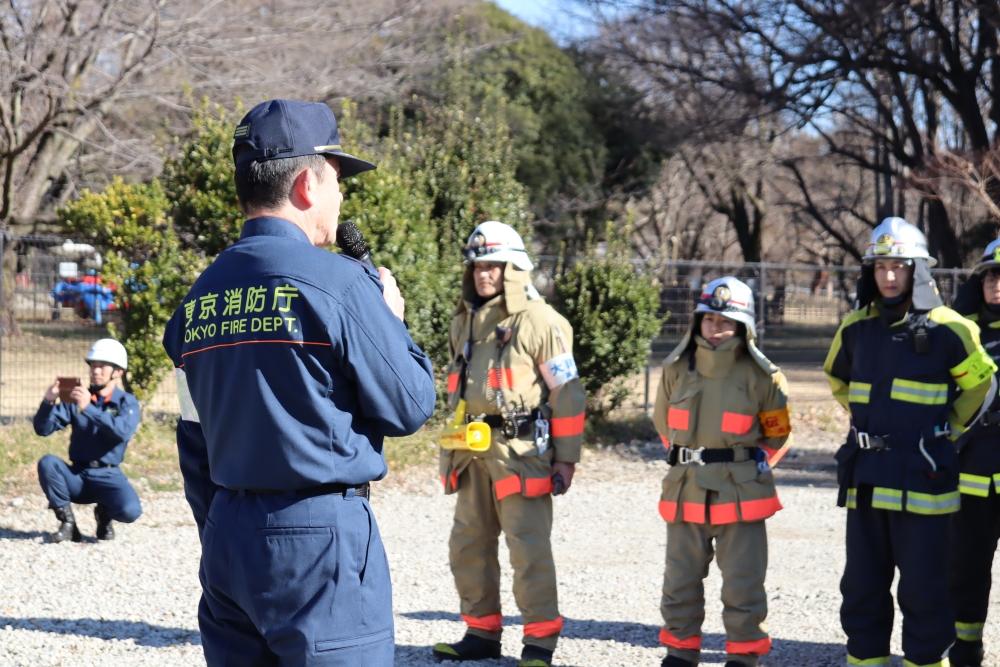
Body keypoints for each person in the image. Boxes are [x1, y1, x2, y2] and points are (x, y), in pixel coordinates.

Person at [161, 99, 436, 667]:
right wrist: (394, 322)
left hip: (227, 534)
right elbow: (410, 404)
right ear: (308, 183)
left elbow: (194, 433)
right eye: (338, 181)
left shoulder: (197, 300)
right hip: (318, 539)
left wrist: (221, 527)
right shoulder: (340, 284)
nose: (340, 197)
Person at [824, 217, 996, 667]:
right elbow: (837, 378)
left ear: (917, 270)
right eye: (880, 267)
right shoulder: (854, 327)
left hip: (925, 476)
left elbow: (982, 387)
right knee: (861, 585)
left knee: (924, 588)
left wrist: (946, 431)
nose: (889, 276)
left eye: (899, 266)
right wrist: (871, 424)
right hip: (867, 476)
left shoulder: (950, 328)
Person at [432, 221, 586, 667]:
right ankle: (481, 633)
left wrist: (567, 459)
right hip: (472, 450)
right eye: (478, 266)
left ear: (514, 268)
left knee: (528, 549)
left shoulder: (543, 322)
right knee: (468, 545)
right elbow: (460, 391)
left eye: (494, 266)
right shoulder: (465, 321)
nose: (484, 274)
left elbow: (568, 394)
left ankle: (539, 645)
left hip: (523, 456)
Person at [652, 276, 790, 667]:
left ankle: (744, 656)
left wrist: (745, 469)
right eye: (709, 320)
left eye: (725, 322)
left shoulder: (765, 377)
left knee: (743, 584)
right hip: (686, 492)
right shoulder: (676, 369)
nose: (716, 329)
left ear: (744, 326)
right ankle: (680, 652)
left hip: (741, 497)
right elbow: (665, 427)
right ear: (698, 322)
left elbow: (777, 437)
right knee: (679, 583)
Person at [947, 238, 1000, 667]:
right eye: (991, 277)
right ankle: (966, 646)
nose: (998, 285)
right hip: (970, 472)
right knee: (965, 567)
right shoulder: (959, 334)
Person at [35, 338, 141, 543]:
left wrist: (88, 408)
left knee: (131, 511)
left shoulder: (127, 402)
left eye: (102, 366)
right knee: (48, 463)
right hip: (78, 475)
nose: (95, 371)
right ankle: (68, 525)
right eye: (93, 365)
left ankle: (104, 515)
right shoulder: (78, 397)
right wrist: (48, 402)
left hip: (108, 474)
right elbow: (43, 429)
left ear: (118, 371)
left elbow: (121, 432)